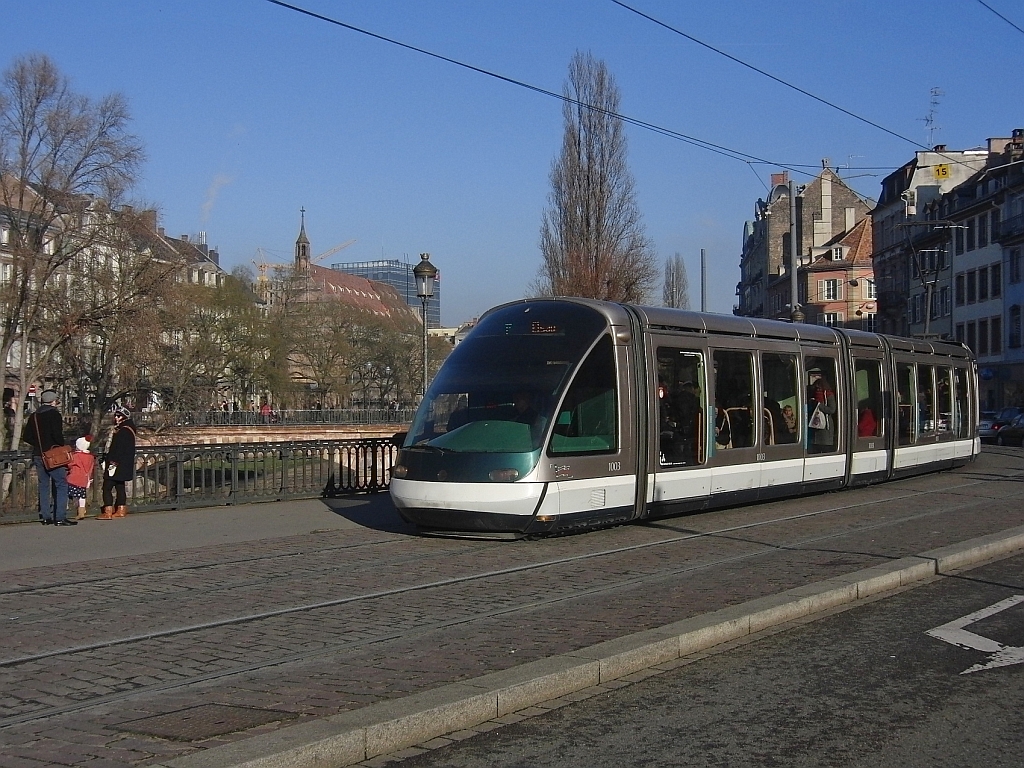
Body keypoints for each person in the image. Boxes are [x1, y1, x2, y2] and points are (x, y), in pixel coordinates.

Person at [21, 389, 75, 526]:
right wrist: (58, 445)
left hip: (38, 454)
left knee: (43, 485)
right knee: (61, 484)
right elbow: (57, 435)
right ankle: (60, 517)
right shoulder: (54, 414)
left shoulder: (33, 416)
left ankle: (46, 517)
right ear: (53, 401)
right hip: (53, 455)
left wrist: (39, 444)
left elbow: (26, 436)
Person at [97, 405, 137, 520]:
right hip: (125, 463)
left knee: (107, 487)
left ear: (123, 417)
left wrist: (111, 462)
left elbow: (117, 449)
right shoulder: (130, 429)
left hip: (116, 463)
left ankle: (108, 511)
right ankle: (121, 509)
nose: (115, 417)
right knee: (120, 486)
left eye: (118, 416)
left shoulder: (122, 431)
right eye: (115, 415)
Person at [67, 435, 97, 520]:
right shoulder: (91, 457)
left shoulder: (75, 456)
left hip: (74, 478)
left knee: (71, 493)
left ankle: (69, 509)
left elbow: (69, 465)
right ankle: (82, 511)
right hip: (84, 479)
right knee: (82, 496)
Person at [809, 375, 838, 452]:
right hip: (815, 424)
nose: (817, 389)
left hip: (825, 426)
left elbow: (832, 409)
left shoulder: (829, 395)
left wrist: (819, 405)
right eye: (816, 388)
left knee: (825, 446)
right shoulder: (814, 396)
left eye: (819, 387)